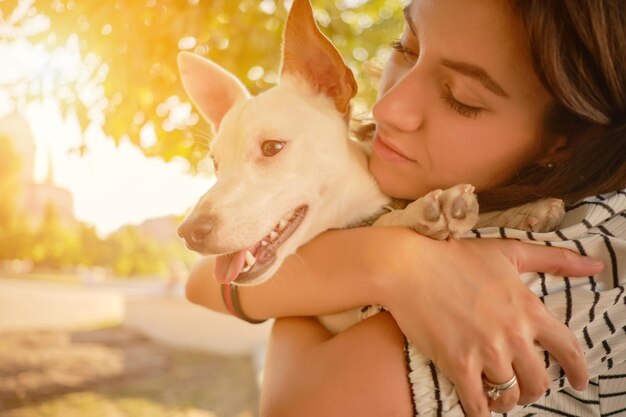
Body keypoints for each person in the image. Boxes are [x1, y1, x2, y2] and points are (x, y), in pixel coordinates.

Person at [185, 0, 626, 416]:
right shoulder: (390, 178)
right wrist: (395, 260)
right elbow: (205, 283)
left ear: (566, 139)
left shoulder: (590, 250)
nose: (385, 107)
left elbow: (307, 405)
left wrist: (303, 297)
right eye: (405, 48)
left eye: (461, 96)